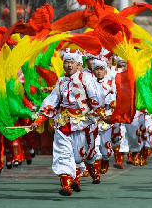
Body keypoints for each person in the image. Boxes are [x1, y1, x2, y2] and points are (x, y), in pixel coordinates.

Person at [29, 52, 107, 196]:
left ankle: (76, 179)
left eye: (72, 62)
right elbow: (51, 103)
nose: (69, 65)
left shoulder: (87, 79)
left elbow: (96, 99)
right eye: (66, 62)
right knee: (63, 153)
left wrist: (103, 115)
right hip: (63, 123)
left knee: (78, 157)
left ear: (79, 65)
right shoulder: (61, 82)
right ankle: (66, 185)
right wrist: (38, 120)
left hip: (83, 123)